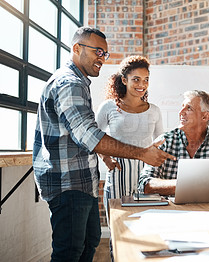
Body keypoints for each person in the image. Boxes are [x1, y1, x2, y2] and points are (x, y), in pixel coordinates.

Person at [32, 27, 174, 262]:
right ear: (77, 48)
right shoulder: (69, 83)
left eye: (105, 53)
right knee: (69, 252)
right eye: (97, 51)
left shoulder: (79, 82)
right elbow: (90, 135)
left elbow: (88, 136)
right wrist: (141, 154)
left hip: (82, 183)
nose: (102, 58)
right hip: (67, 183)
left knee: (89, 243)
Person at [96, 55, 163, 223]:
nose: (142, 85)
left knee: (146, 224)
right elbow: (94, 137)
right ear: (124, 80)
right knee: (119, 225)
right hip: (118, 173)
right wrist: (106, 158)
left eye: (146, 80)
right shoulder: (109, 107)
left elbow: (161, 142)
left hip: (146, 175)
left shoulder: (154, 110)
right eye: (136, 79)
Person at [139, 90, 209, 196]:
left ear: (205, 116)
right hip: (172, 211)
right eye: (182, 107)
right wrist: (187, 186)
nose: (181, 112)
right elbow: (145, 185)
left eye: (189, 108)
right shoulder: (165, 142)